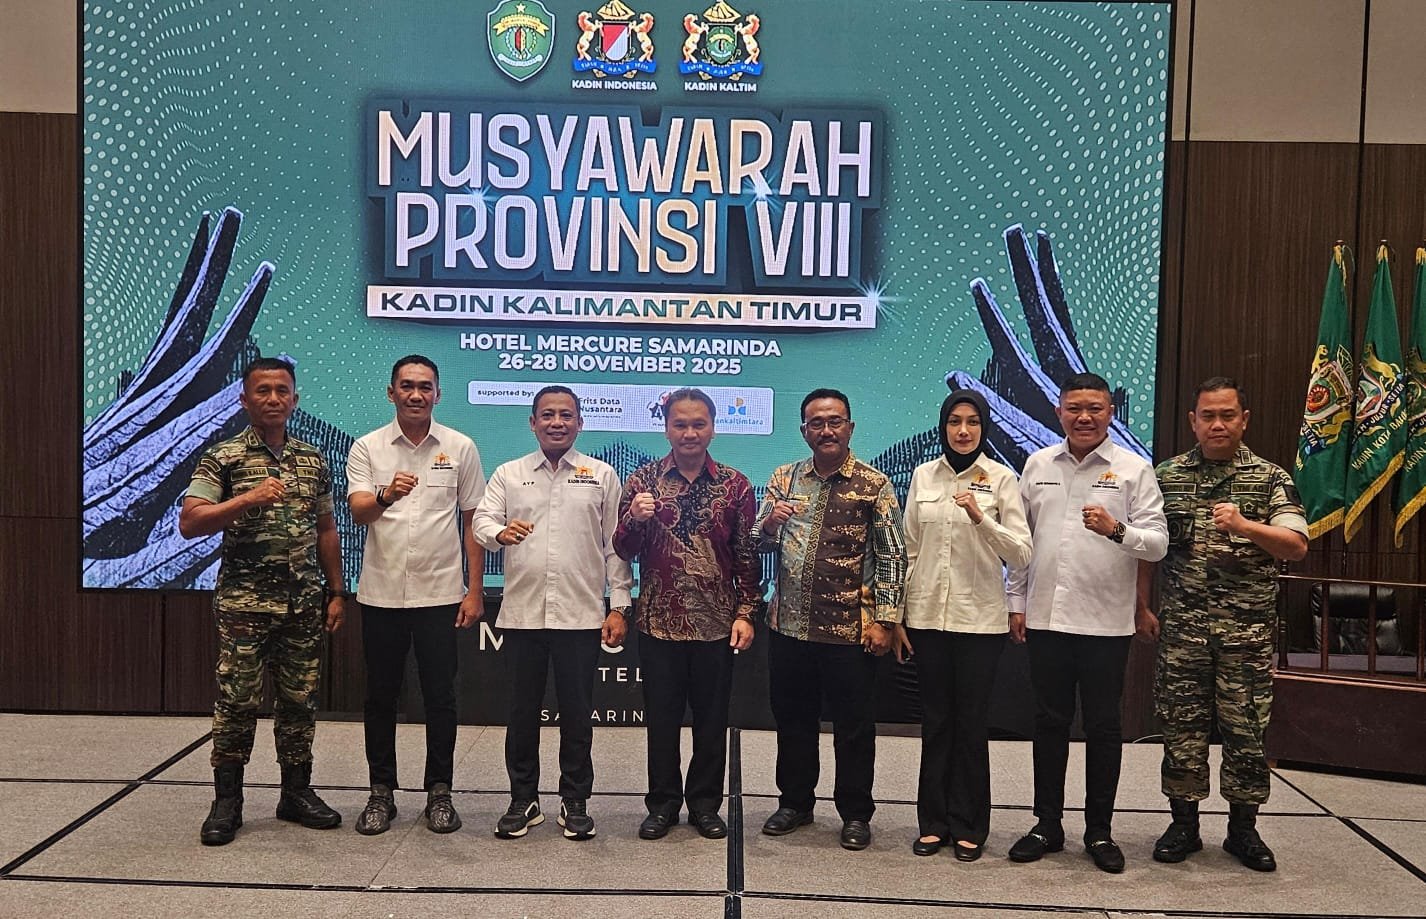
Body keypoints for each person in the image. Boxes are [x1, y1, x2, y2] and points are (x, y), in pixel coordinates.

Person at [1139, 377, 1307, 871]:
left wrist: (1244, 526)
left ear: (1244, 420)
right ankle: (1183, 825)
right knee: (1181, 729)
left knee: (1246, 732)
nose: (1218, 424)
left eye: (1227, 415)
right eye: (1208, 416)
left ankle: (1243, 831)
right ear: (1193, 421)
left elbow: (1296, 545)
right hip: (1183, 634)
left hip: (1246, 638)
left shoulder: (1270, 477)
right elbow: (1147, 549)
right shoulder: (1166, 476)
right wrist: (1140, 606)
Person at [179, 357, 346, 846]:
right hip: (245, 607)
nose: (273, 399)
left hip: (302, 605)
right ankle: (227, 802)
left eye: (282, 391)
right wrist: (247, 500)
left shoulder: (312, 459)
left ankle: (295, 793)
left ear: (295, 399)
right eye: (263, 391)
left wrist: (337, 592)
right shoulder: (223, 457)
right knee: (237, 702)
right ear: (244, 400)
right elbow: (191, 522)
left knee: (299, 703)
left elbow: (326, 529)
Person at [1006, 372, 1167, 873]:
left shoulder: (1134, 469)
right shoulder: (1037, 465)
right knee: (1049, 723)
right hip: (1046, 618)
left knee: (1103, 727)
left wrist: (1117, 530)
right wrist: (1016, 602)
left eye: (1094, 408)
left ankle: (1099, 831)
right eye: (1074, 408)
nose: (1084, 417)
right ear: (1059, 412)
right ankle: (1047, 825)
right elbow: (1022, 543)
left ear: (1110, 413)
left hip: (1105, 624)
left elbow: (1158, 544)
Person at [473, 386, 634, 841]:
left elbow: (615, 547)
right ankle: (522, 800)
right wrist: (500, 533)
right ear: (533, 423)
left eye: (566, 415)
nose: (556, 422)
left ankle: (575, 801)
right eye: (547, 415)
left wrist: (619, 605)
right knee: (521, 714)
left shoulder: (600, 474)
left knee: (578, 715)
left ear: (580, 423)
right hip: (522, 616)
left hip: (580, 617)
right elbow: (481, 521)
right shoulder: (509, 473)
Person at [756, 388, 907, 851]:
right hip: (789, 627)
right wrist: (770, 523)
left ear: (850, 428)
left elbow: (893, 556)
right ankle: (795, 803)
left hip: (850, 631)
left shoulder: (874, 484)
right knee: (793, 721)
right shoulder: (784, 478)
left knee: (853, 729)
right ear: (804, 431)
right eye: (817, 423)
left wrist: (885, 620)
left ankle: (855, 813)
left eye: (835, 421)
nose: (826, 430)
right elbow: (757, 542)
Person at [346, 355, 486, 836]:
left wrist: (474, 590)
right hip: (381, 593)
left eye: (425, 387)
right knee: (380, 697)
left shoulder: (461, 447)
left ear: (438, 394)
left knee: (441, 697)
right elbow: (359, 511)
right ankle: (380, 792)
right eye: (406, 386)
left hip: (440, 593)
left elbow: (472, 522)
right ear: (391, 393)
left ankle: (439, 792)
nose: (416, 394)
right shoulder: (367, 447)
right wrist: (386, 495)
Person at [613, 388, 760, 841]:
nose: (690, 433)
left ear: (713, 428)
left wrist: (747, 612)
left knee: (711, 723)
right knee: (661, 722)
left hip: (717, 625)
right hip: (659, 623)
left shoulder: (736, 485)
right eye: (680, 424)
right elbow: (622, 549)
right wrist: (634, 519)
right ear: (666, 429)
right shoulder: (642, 481)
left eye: (699, 424)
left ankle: (704, 806)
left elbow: (746, 555)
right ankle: (661, 806)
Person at [899, 390, 1032, 861]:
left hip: (980, 621)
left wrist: (981, 519)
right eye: (954, 421)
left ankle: (970, 824)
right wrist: (898, 616)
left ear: (984, 427)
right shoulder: (923, 475)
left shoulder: (1002, 479)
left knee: (970, 725)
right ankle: (933, 823)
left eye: (972, 422)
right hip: (926, 618)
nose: (963, 430)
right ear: (943, 426)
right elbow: (909, 550)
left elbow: (1021, 553)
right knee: (936, 723)